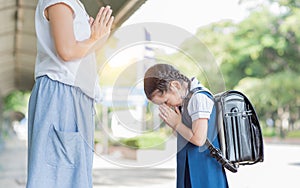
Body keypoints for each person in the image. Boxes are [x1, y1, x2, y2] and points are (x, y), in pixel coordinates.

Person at [27, 0, 114, 187]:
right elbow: (66, 51)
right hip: (62, 94)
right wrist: (93, 38)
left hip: (75, 95)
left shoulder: (76, 5)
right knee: (56, 176)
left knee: (74, 176)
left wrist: (99, 37)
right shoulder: (60, 2)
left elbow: (81, 53)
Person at [143, 64, 228, 188]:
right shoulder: (185, 100)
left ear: (175, 85)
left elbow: (199, 139)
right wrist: (174, 123)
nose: (166, 106)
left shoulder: (199, 98)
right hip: (190, 168)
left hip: (205, 171)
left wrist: (177, 123)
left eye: (166, 101)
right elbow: (183, 135)